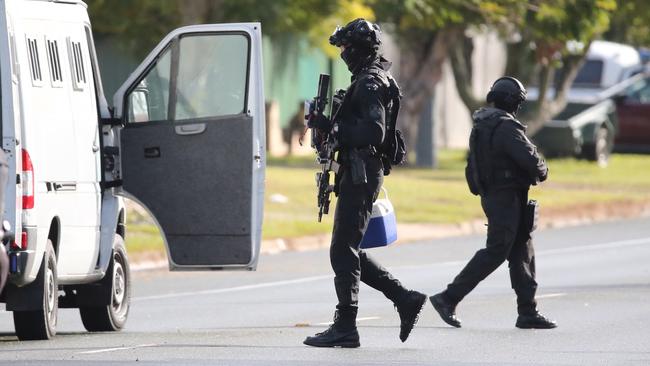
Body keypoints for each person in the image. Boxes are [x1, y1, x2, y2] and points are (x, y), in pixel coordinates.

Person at [303, 19, 427, 348]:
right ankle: (404, 298)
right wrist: (326, 125)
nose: (342, 53)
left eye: (345, 47)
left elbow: (375, 132)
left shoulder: (371, 82)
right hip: (356, 170)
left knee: (342, 250)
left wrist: (339, 132)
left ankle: (346, 325)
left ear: (358, 48)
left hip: (363, 171)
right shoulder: (365, 78)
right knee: (348, 250)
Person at [429, 76, 557, 330]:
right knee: (497, 251)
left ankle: (527, 311)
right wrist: (541, 167)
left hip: (497, 196)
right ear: (513, 102)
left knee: (522, 250)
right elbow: (534, 164)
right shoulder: (506, 128)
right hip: (506, 197)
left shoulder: (482, 125)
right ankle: (448, 297)